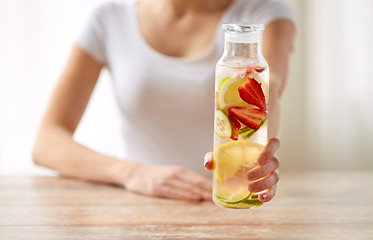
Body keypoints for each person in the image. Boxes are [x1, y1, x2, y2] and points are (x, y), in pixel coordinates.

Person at [33, 0, 295, 203]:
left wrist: (259, 162)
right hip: (136, 201)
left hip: (226, 203)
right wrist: (131, 173)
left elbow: (267, 91)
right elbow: (47, 142)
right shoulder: (110, 17)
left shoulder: (262, 13)